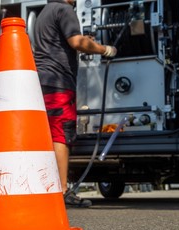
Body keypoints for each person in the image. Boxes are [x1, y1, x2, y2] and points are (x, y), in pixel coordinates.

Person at [33, 0, 117, 207]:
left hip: (40, 82)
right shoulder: (65, 9)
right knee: (62, 133)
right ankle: (61, 191)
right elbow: (77, 42)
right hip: (59, 82)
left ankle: (44, 188)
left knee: (47, 134)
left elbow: (59, 42)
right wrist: (105, 49)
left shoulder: (44, 13)